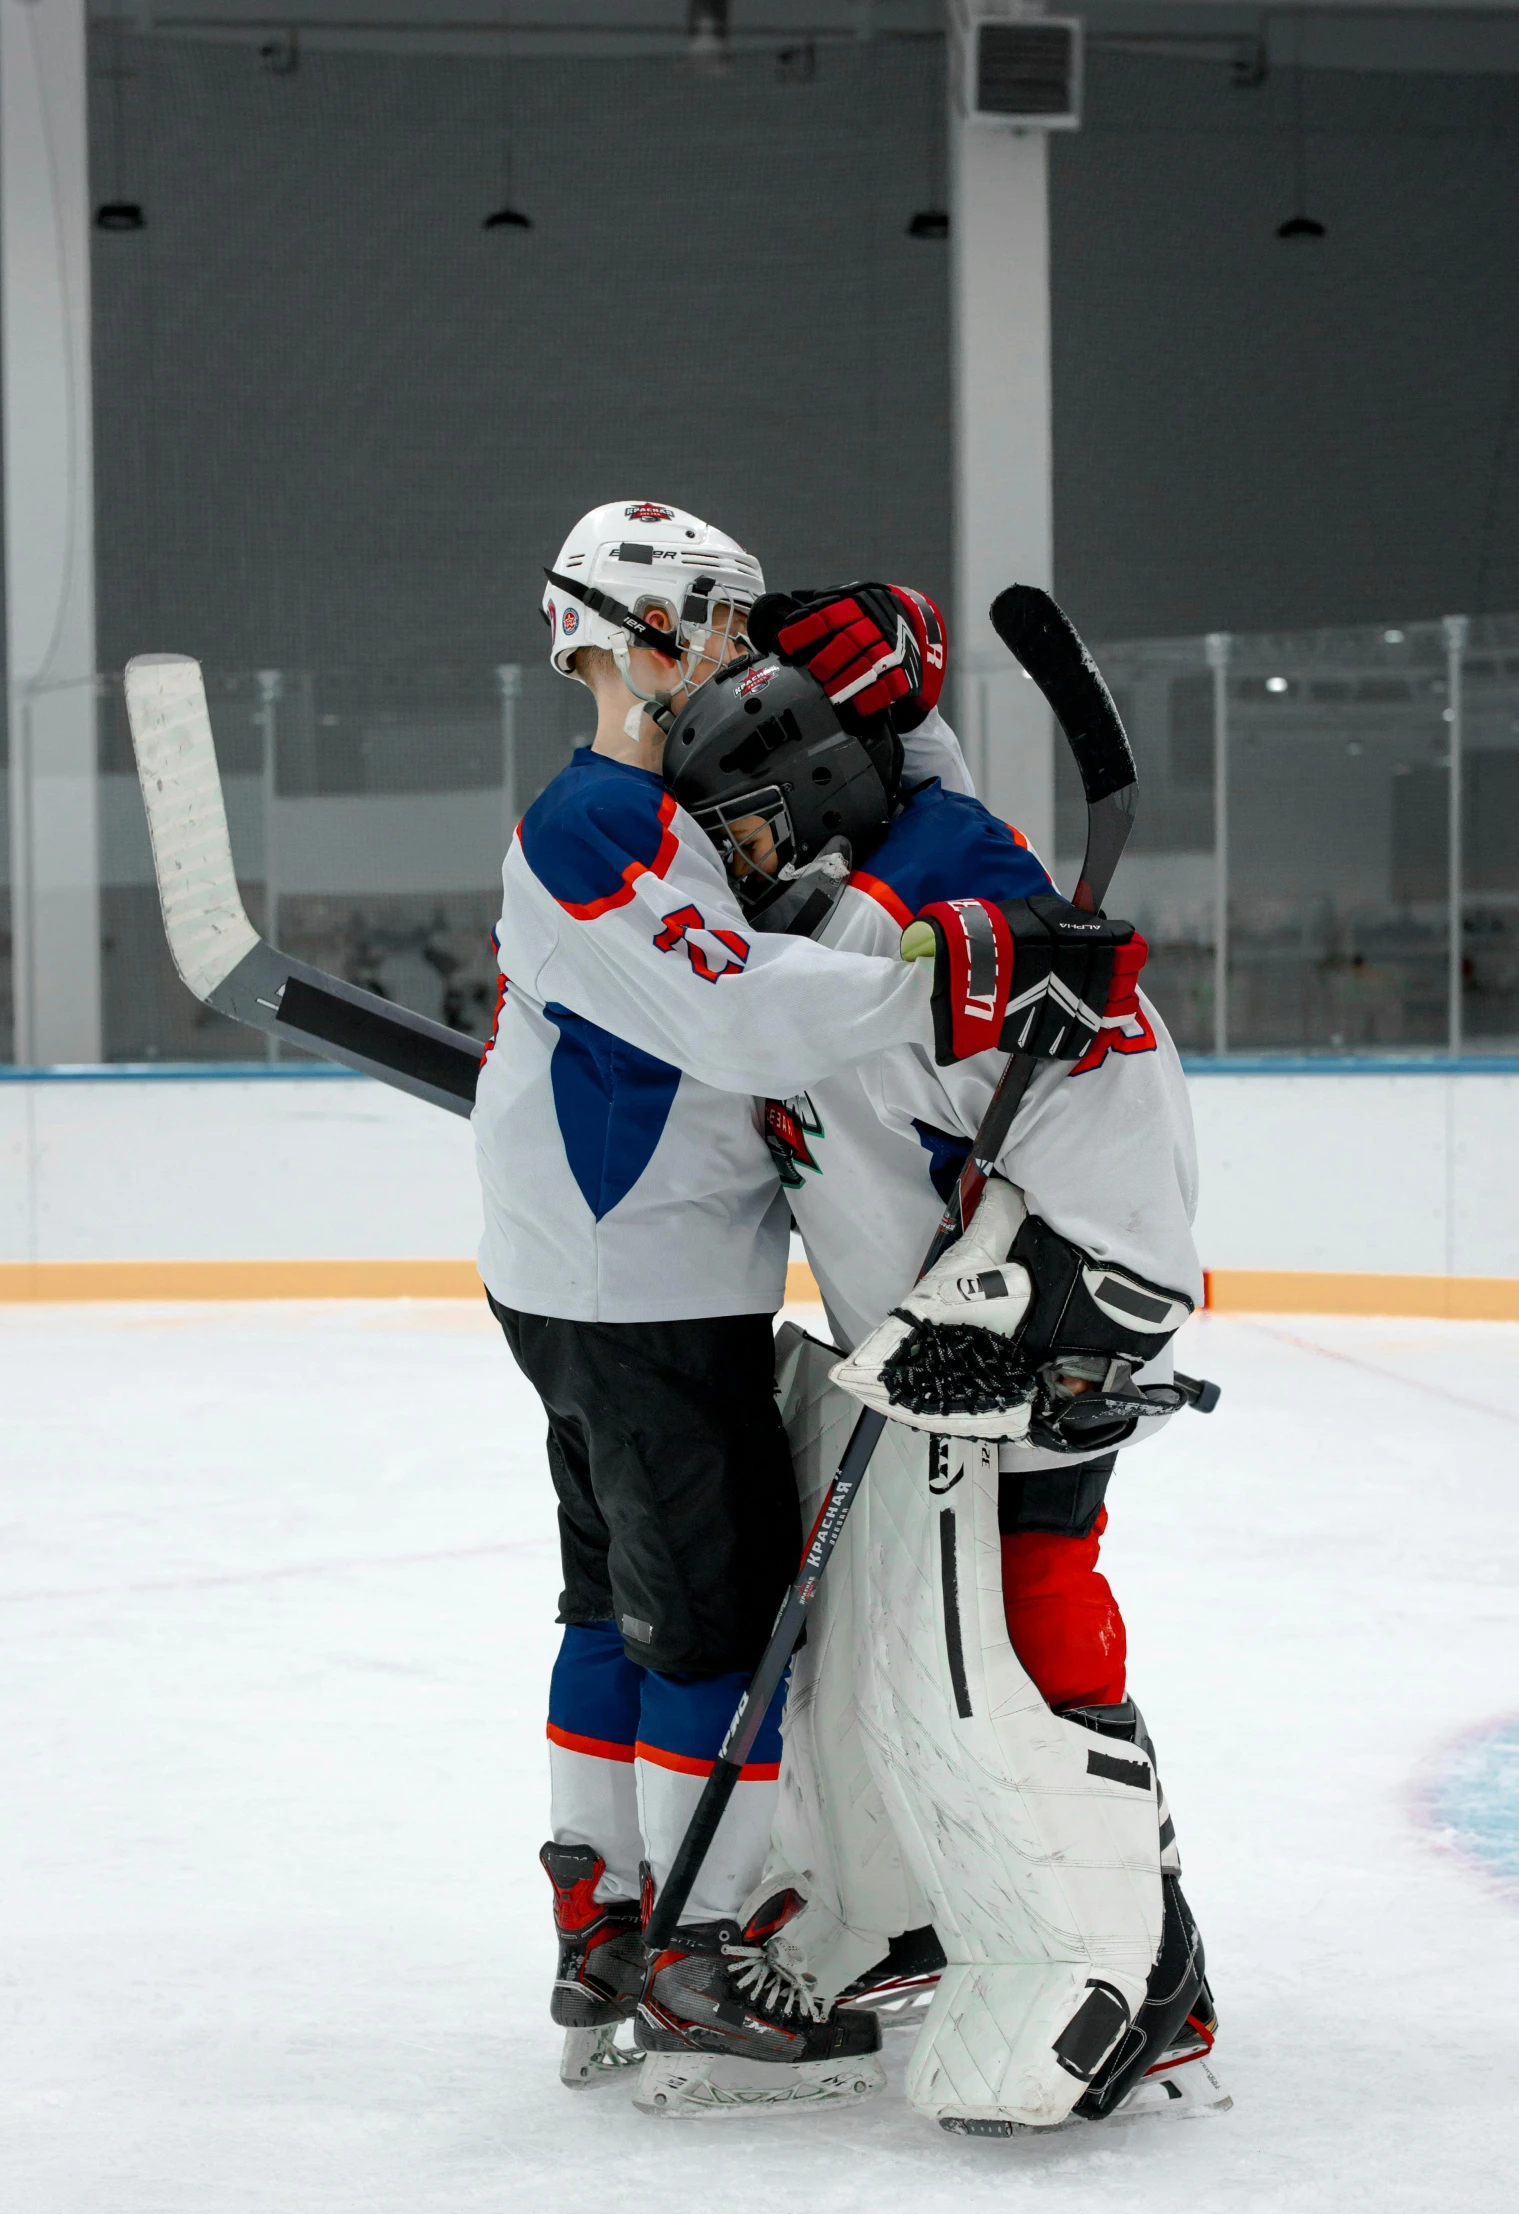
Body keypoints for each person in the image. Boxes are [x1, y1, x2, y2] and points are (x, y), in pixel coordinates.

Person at [656, 588, 1227, 2131]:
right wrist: (886, 686)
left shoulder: (919, 912)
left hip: (1033, 1321)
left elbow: (1119, 1127)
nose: (735, 859)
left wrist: (1062, 1315)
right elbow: (903, 778)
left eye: (752, 827)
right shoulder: (877, 883)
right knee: (898, 1636)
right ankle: (929, 1904)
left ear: (824, 804)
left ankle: (1152, 1957)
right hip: (926, 1336)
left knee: (1026, 1596)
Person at [474, 503, 963, 2114]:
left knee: (611, 1595)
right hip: (640, 1286)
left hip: (602, 1273)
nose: (743, 657)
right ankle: (689, 1952)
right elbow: (745, 1016)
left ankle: (601, 1919)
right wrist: (950, 966)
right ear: (632, 634)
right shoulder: (598, 822)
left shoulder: (633, 811)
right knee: (714, 1620)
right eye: (721, 625)